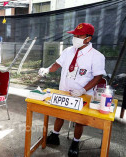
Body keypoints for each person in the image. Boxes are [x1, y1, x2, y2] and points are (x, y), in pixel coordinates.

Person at [38, 23, 106, 157]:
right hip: (64, 91)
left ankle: (75, 142)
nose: (75, 38)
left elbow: (98, 77)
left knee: (79, 120)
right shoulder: (68, 51)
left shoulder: (97, 56)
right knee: (60, 113)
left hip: (82, 95)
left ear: (88, 38)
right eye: (74, 35)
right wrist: (47, 69)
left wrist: (82, 90)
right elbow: (57, 64)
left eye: (78, 36)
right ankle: (55, 135)